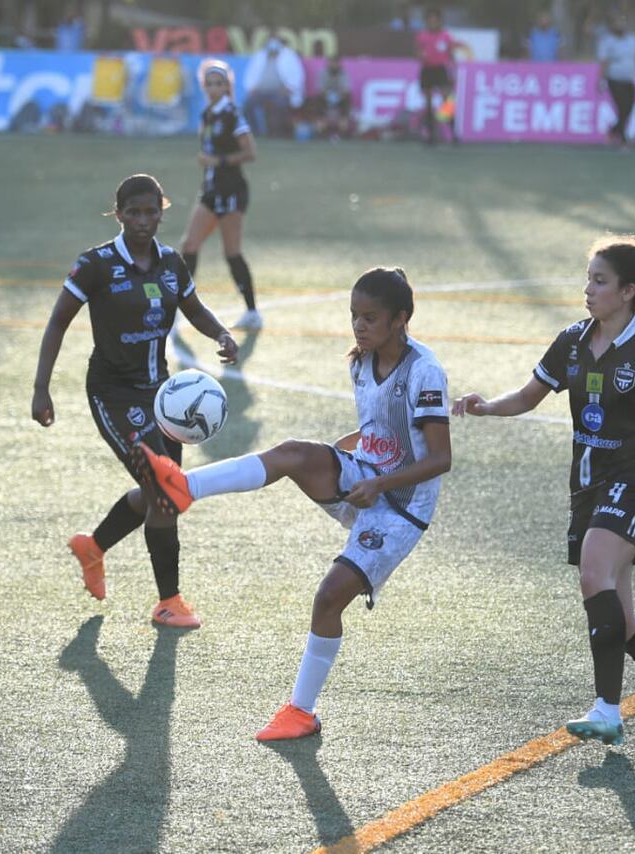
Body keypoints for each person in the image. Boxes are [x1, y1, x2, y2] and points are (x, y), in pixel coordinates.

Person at [127, 267, 452, 740]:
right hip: (366, 476)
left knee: (329, 598)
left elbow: (441, 459)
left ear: (401, 319)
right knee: (293, 453)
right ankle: (184, 487)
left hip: (401, 507)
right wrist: (340, 454)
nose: (359, 326)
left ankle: (301, 712)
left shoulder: (425, 371)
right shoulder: (360, 361)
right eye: (354, 316)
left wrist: (380, 485)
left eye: (370, 317)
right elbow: (379, 426)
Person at [453, 236, 635, 745]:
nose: (588, 289)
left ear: (628, 291)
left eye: (599, 281)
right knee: (619, 619)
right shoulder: (572, 341)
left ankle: (607, 709)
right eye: (588, 278)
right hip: (586, 486)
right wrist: (486, 406)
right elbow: (529, 396)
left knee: (594, 570)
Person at [32, 174, 238, 629]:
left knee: (165, 491)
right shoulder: (96, 265)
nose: (144, 221)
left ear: (162, 211)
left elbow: (194, 308)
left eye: (152, 212)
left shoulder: (171, 263)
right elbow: (58, 322)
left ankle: (93, 547)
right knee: (165, 493)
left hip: (161, 398)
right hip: (113, 393)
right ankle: (169, 602)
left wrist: (220, 332)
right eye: (134, 212)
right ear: (119, 213)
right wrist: (41, 387)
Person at [178, 60, 262, 331]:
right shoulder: (207, 115)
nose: (214, 88)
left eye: (219, 83)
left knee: (231, 252)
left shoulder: (232, 115)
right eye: (210, 83)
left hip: (231, 191)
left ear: (227, 87)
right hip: (211, 191)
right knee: (189, 245)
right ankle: (181, 307)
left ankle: (252, 311)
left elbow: (250, 153)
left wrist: (218, 160)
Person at [597, 13, 635, 148]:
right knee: (622, 107)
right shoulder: (607, 41)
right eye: (617, 22)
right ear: (612, 25)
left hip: (629, 79)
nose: (621, 25)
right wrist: (601, 80)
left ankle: (612, 132)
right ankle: (623, 139)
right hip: (614, 79)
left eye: (623, 22)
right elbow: (604, 62)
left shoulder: (632, 39)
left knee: (630, 108)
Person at [415, 7, 465, 146]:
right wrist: (420, 56)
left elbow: (451, 55)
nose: (433, 23)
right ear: (427, 21)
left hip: (441, 70)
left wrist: (453, 71)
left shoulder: (446, 36)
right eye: (430, 20)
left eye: (435, 20)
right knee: (429, 102)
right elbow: (418, 52)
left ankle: (453, 133)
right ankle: (430, 135)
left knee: (447, 101)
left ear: (439, 21)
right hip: (427, 70)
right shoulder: (422, 36)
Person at [243, 37, 305, 139]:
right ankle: (255, 131)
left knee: (280, 104)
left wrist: (289, 88)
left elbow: (297, 76)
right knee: (248, 104)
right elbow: (251, 75)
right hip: (261, 92)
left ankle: (277, 133)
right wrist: (251, 88)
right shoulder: (260, 56)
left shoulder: (289, 57)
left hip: (280, 92)